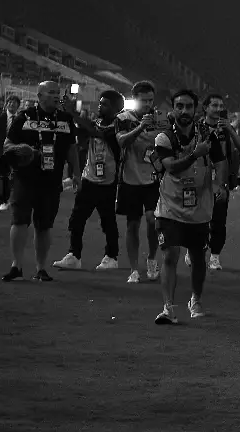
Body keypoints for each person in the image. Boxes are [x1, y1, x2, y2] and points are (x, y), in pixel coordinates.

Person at [151, 90, 228, 324]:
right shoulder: (164, 138)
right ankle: (168, 308)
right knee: (170, 255)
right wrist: (195, 155)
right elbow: (171, 167)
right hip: (170, 206)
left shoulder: (207, 135)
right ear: (173, 109)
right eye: (179, 106)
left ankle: (196, 299)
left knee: (197, 257)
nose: (184, 111)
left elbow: (221, 161)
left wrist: (219, 184)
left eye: (188, 106)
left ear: (196, 109)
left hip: (199, 207)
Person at [2, 81, 80, 282]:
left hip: (51, 179)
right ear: (40, 96)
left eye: (57, 93)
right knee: (19, 220)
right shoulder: (24, 116)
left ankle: (41, 268)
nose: (56, 96)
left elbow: (72, 148)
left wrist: (77, 174)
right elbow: (7, 144)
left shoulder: (65, 119)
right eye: (51, 92)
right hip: (25, 178)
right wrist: (20, 149)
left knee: (44, 225)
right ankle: (16, 266)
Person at [55, 89, 124, 272]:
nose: (100, 106)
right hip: (89, 179)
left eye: (104, 104)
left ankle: (111, 257)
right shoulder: (96, 123)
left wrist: (73, 113)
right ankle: (74, 255)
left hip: (108, 182)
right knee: (77, 219)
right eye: (100, 103)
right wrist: (64, 115)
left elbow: (96, 132)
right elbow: (80, 130)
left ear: (116, 108)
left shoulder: (119, 127)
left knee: (108, 221)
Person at [115, 81, 163, 284]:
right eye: (144, 100)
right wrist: (141, 127)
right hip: (130, 179)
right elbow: (121, 141)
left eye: (151, 100)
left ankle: (152, 259)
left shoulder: (161, 119)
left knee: (153, 220)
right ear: (135, 99)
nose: (148, 104)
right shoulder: (123, 118)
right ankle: (134, 269)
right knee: (132, 224)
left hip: (153, 179)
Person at [199, 93, 240, 271]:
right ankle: (196, 249)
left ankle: (215, 256)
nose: (218, 109)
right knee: (199, 219)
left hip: (220, 180)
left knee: (219, 220)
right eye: (215, 105)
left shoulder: (225, 129)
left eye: (221, 106)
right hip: (199, 179)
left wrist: (230, 129)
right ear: (205, 108)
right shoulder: (197, 127)